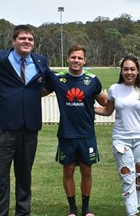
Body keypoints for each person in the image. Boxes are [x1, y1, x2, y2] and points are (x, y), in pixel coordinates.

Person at [0, 24, 53, 216]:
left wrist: (33, 95)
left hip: (29, 130)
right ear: (13, 41)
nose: (26, 42)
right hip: (2, 130)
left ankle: (23, 213)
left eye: (30, 39)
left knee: (25, 178)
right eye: (22, 38)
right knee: (0, 179)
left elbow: (53, 83)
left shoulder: (40, 61)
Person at [44, 43, 107, 216]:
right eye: (73, 57)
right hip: (66, 133)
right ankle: (73, 210)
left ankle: (86, 209)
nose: (76, 60)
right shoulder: (58, 79)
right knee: (68, 170)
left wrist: (89, 108)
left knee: (87, 170)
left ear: (84, 60)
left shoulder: (92, 80)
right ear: (67, 58)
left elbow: (106, 103)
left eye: (80, 58)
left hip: (87, 134)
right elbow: (38, 92)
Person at [95, 55, 140, 216]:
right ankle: (132, 212)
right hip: (121, 140)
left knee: (139, 177)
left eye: (132, 69)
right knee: (126, 176)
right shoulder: (114, 89)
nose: (129, 72)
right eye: (126, 69)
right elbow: (108, 111)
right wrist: (85, 108)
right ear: (121, 71)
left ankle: (135, 206)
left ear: (138, 71)